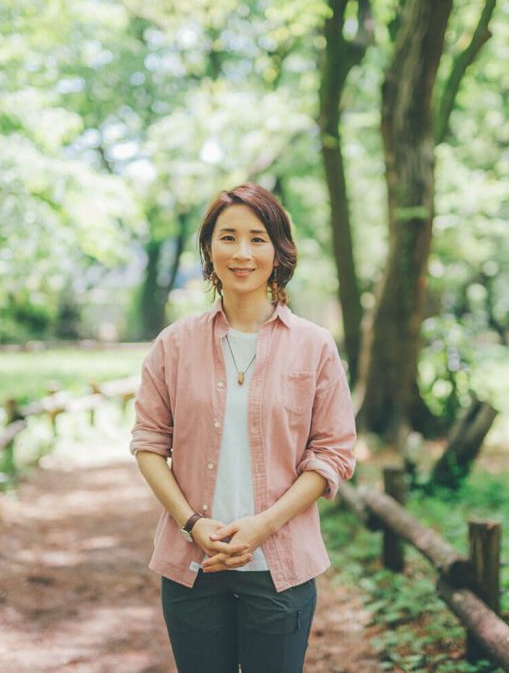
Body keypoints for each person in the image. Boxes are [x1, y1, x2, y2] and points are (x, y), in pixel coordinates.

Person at [130, 182, 357, 673]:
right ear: (209, 249)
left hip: (281, 568)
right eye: (228, 237)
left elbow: (334, 453)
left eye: (257, 239)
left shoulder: (314, 346)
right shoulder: (173, 345)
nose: (242, 253)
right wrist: (192, 523)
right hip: (192, 566)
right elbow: (148, 444)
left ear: (279, 252)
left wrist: (262, 526)